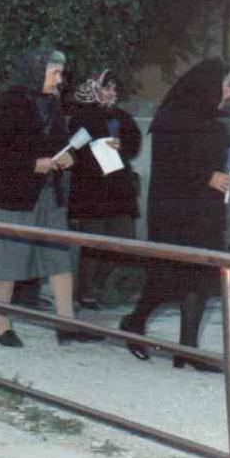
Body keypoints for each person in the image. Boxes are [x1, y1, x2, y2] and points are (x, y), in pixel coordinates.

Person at [0, 48, 103, 348]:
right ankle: (0, 321)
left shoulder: (52, 104)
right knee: (9, 258)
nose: (59, 80)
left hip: (50, 193)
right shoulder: (10, 102)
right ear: (36, 71)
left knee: (60, 256)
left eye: (60, 73)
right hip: (17, 194)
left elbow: (60, 143)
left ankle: (66, 322)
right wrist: (32, 163)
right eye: (54, 73)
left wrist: (68, 157)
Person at [122, 59, 230, 370]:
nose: (229, 91)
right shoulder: (173, 118)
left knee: (200, 279)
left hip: (207, 211)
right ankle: (133, 321)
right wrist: (206, 177)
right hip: (176, 212)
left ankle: (188, 350)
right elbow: (170, 166)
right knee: (167, 278)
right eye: (225, 84)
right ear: (207, 85)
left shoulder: (213, 119)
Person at [67, 69, 143, 308]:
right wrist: (96, 147)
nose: (111, 94)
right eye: (105, 89)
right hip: (92, 191)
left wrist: (123, 145)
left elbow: (134, 142)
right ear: (94, 90)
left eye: (113, 90)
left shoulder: (123, 117)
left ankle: (106, 285)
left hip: (119, 190)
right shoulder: (83, 117)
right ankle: (86, 291)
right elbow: (74, 148)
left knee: (123, 238)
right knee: (93, 242)